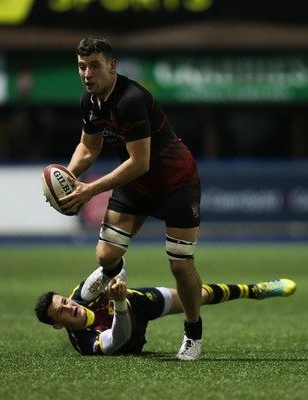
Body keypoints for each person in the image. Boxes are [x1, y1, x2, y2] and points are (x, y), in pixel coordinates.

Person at [58, 36, 203, 360]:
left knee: (180, 266)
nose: (87, 73)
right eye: (82, 66)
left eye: (94, 65)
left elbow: (140, 162)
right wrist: (69, 177)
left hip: (175, 183)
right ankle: (113, 273)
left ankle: (193, 333)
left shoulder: (131, 99)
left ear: (112, 66)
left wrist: (90, 189)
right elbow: (89, 147)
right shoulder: (89, 102)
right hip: (137, 184)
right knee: (105, 254)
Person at [35, 276, 296, 357]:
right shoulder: (85, 342)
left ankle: (258, 290)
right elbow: (119, 337)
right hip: (130, 337)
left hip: (138, 304)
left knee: (197, 296)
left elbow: (115, 264)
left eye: (65, 302)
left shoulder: (82, 293)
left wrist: (113, 271)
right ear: (58, 325)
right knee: (124, 330)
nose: (69, 307)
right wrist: (118, 301)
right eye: (62, 312)